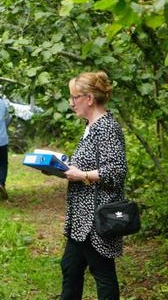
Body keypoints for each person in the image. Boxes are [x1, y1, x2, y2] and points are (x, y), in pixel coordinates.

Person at [60, 71, 127, 300]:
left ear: (89, 98)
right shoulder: (90, 126)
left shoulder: (106, 127)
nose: (71, 102)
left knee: (102, 274)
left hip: (97, 217)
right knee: (70, 268)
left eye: (74, 97)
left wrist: (82, 175)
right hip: (82, 218)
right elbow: (90, 165)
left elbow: (117, 171)